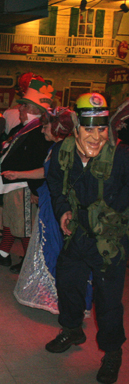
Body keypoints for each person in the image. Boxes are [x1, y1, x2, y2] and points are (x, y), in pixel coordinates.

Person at [45, 93, 129, 384]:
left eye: (102, 128)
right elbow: (55, 185)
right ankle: (72, 329)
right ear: (77, 127)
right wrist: (63, 211)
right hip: (78, 234)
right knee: (67, 282)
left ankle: (112, 352)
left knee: (107, 302)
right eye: (90, 128)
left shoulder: (121, 157)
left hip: (110, 241)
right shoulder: (62, 152)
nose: (97, 136)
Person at [0, 79, 55, 272]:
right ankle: (4, 254)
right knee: (11, 221)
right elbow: (5, 146)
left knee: (24, 227)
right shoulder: (24, 128)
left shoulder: (39, 132)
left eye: (23, 106)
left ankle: (28, 260)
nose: (20, 109)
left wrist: (35, 190)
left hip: (22, 185)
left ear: (33, 109)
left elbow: (40, 163)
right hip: (12, 184)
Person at [11, 108, 76, 313]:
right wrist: (18, 174)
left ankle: (57, 297)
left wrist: (19, 174)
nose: (42, 131)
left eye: (45, 127)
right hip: (51, 199)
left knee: (52, 246)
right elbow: (46, 172)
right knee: (46, 245)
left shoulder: (64, 149)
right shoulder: (58, 147)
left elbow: (50, 175)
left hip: (57, 203)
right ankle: (50, 294)